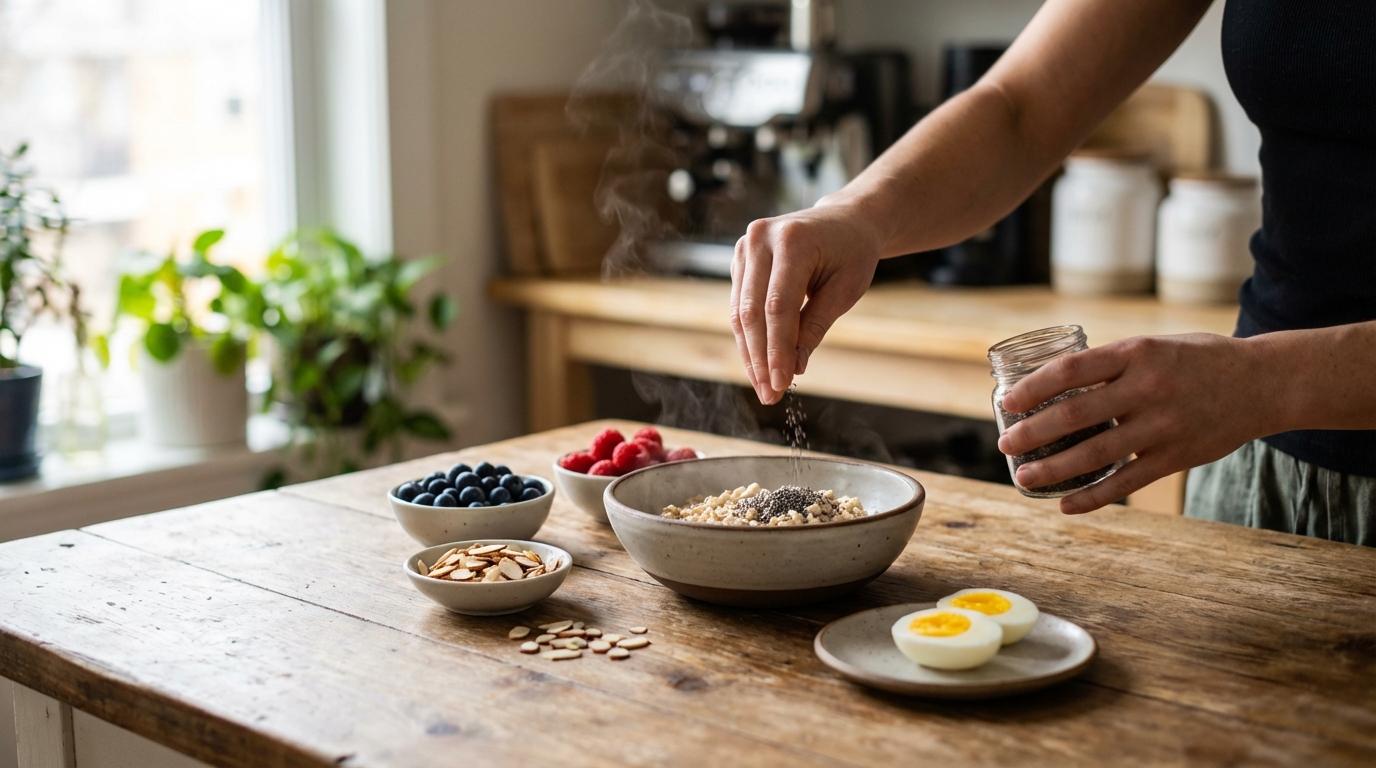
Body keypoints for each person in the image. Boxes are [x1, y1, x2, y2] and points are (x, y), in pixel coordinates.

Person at [728, 0, 1376, 545]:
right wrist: (855, 213)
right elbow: (1022, 106)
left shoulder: (1256, 388)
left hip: (1268, 400)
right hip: (1266, 462)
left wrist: (1271, 383)